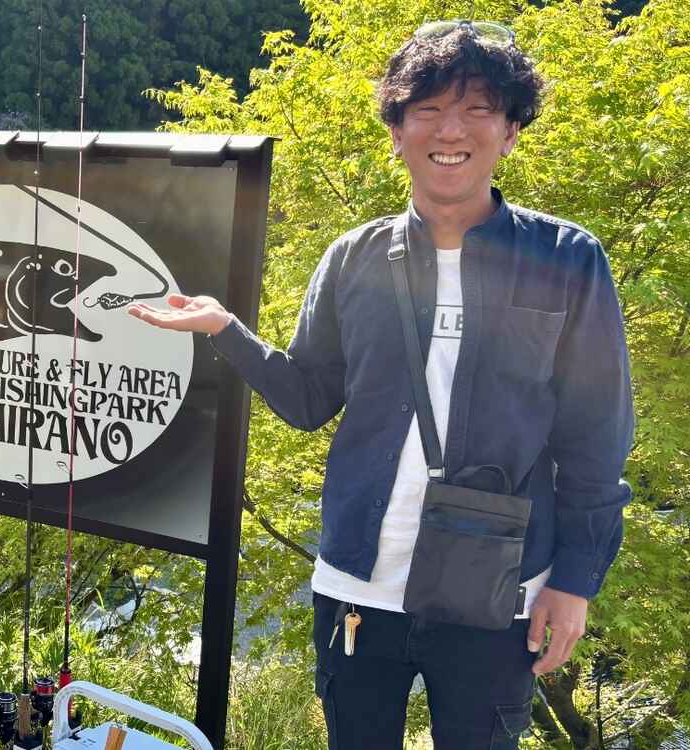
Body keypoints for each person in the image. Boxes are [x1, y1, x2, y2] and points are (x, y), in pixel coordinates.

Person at [128, 20, 634, 750]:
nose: (450, 130)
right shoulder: (354, 258)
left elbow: (596, 437)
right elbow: (308, 399)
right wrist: (225, 330)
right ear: (396, 132)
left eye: (477, 109)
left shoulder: (567, 259)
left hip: (501, 590)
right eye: (427, 109)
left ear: (511, 131)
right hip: (357, 585)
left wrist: (576, 580)